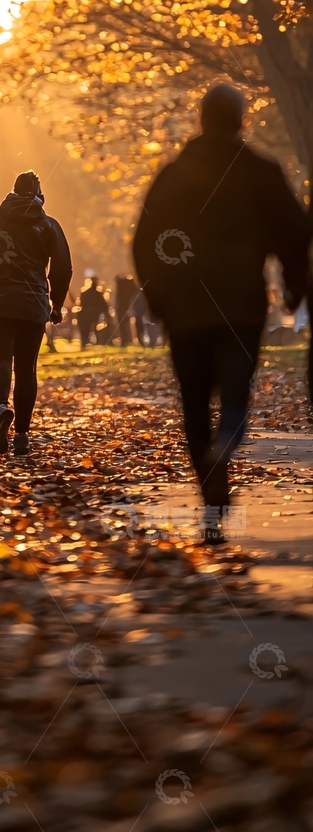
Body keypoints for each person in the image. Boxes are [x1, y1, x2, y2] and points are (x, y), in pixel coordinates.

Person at [134, 82, 310, 543]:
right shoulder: (261, 171)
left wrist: (156, 297)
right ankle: (229, 431)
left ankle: (211, 495)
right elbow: (294, 231)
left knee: (193, 401)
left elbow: (145, 238)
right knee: (237, 382)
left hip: (187, 308)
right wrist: (295, 286)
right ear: (242, 120)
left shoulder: (173, 174)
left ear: (200, 120)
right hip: (242, 305)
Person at [0, 171, 72, 456]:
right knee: (27, 368)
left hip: (1, 299)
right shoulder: (49, 225)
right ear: (38, 192)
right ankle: (22, 436)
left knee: (1, 356)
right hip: (33, 301)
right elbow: (63, 268)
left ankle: (2, 407)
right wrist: (56, 304)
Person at [78, 276, 109, 349]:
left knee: (86, 330)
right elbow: (104, 306)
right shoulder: (97, 294)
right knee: (91, 329)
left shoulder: (85, 294)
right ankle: (90, 342)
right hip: (93, 315)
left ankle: (85, 342)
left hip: (86, 315)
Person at [113, 274, 139, 347]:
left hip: (123, 307)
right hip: (126, 306)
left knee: (123, 325)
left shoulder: (122, 286)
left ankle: (126, 339)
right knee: (126, 324)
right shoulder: (130, 286)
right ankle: (128, 339)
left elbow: (119, 299)